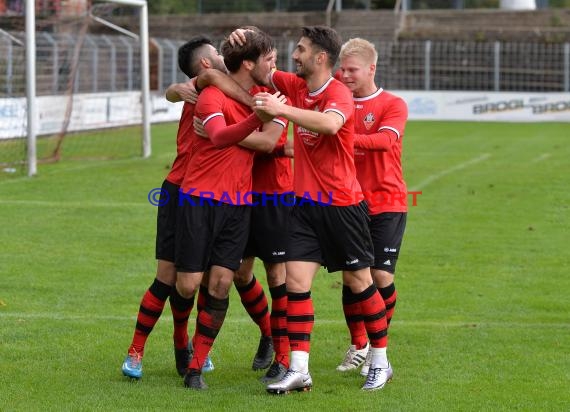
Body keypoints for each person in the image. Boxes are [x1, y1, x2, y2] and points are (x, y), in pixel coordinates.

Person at [234, 25, 392, 393]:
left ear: (320, 57)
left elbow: (330, 125)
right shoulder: (295, 86)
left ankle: (381, 361)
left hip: (341, 206)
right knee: (296, 285)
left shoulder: (338, 92)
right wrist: (248, 39)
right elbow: (261, 71)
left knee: (359, 282)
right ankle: (300, 369)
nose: (296, 55)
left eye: (302, 50)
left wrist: (281, 108)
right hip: (303, 207)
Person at [174, 30, 284, 390]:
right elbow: (219, 137)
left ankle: (196, 368)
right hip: (199, 199)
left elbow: (269, 143)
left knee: (223, 282)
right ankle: (181, 344)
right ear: (249, 63)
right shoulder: (211, 93)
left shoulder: (265, 96)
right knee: (189, 284)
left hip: (241, 203)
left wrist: (262, 110)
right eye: (269, 58)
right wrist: (257, 115)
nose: (275, 65)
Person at [121, 36, 232, 380]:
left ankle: (190, 345)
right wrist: (176, 89)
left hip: (218, 195)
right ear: (206, 64)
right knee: (169, 277)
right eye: (216, 52)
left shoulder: (236, 83)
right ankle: (138, 350)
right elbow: (175, 90)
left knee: (207, 278)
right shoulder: (206, 83)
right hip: (181, 191)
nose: (222, 54)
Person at [335, 38, 408, 376]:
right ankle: (359, 345)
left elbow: (385, 141)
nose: (345, 75)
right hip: (348, 202)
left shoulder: (392, 104)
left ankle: (379, 347)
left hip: (387, 200)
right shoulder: (336, 101)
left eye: (352, 70)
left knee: (379, 275)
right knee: (354, 277)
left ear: (371, 69)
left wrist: (340, 135)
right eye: (342, 69)